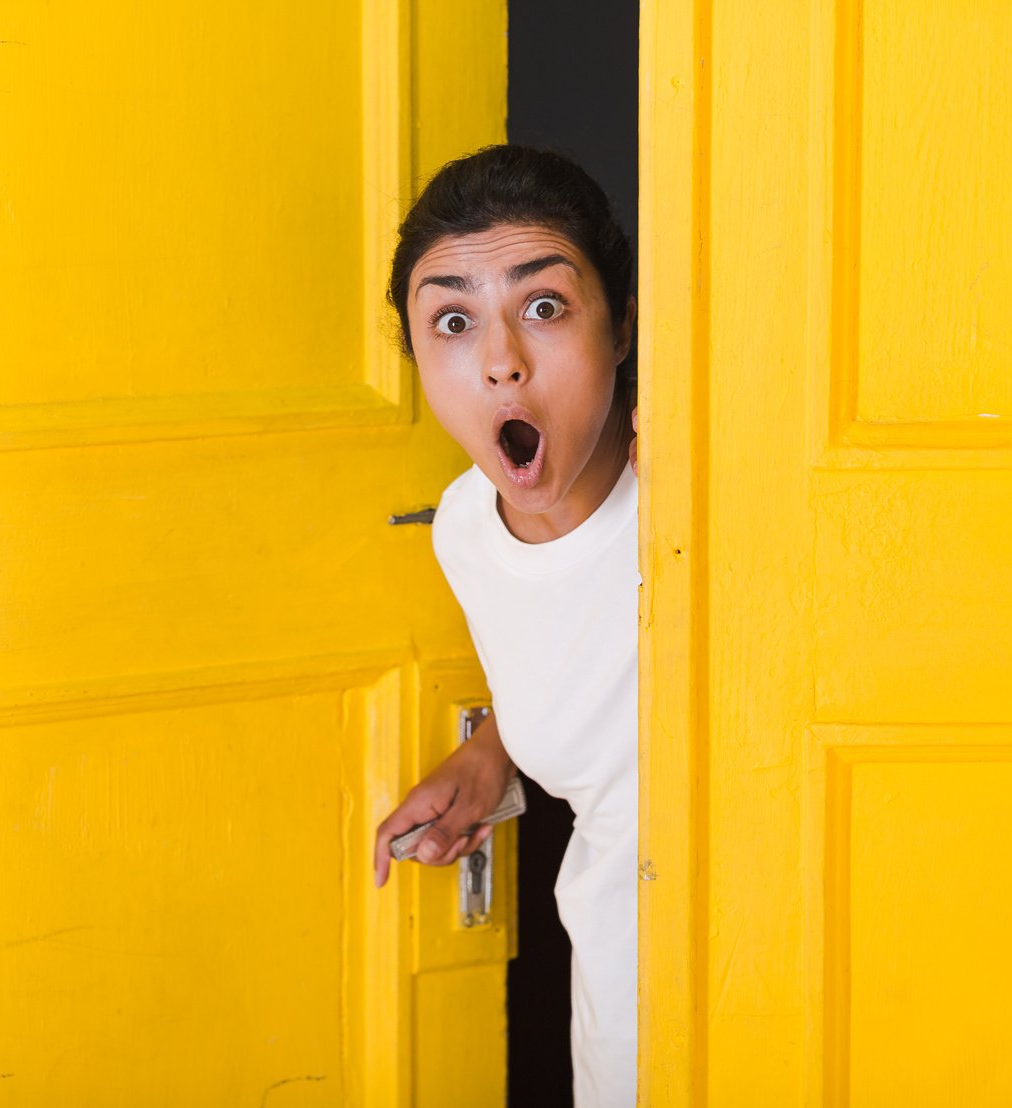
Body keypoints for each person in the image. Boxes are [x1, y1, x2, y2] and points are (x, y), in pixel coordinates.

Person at [371, 144, 639, 1108]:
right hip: (628, 983)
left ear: (620, 328)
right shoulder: (463, 530)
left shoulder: (706, 495)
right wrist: (488, 759)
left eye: (543, 307)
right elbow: (588, 672)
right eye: (452, 320)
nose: (500, 362)